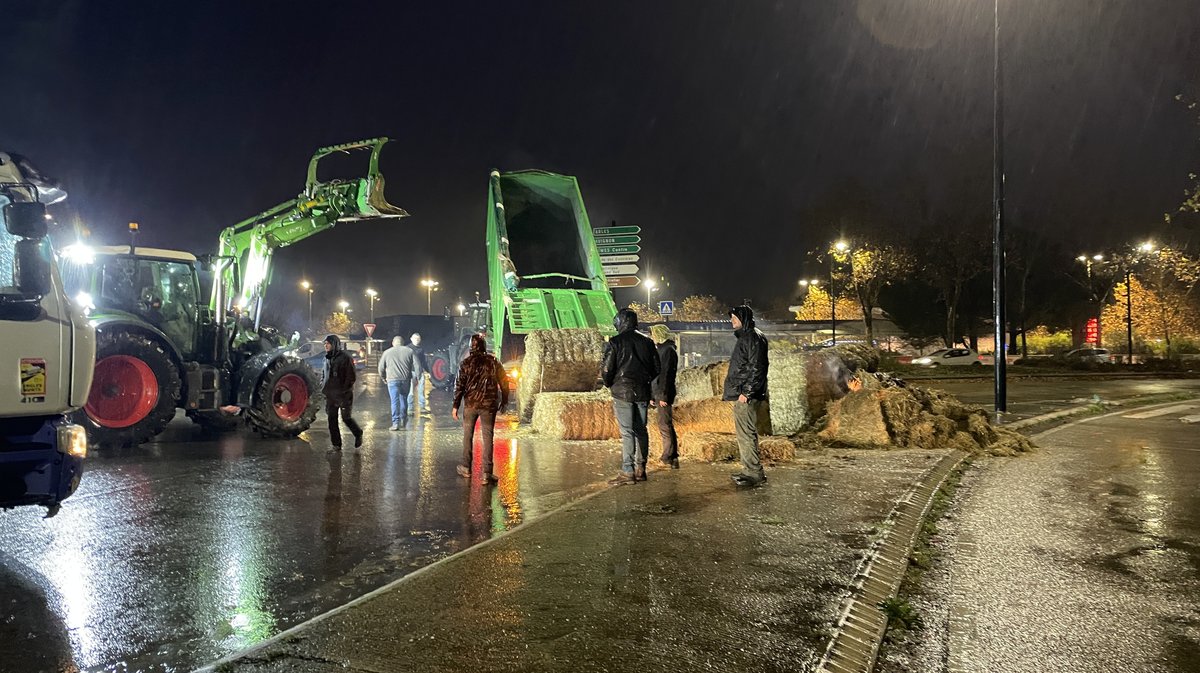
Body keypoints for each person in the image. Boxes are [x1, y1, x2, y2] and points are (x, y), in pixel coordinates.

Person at [601, 308, 660, 485]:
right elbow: (656, 368)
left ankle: (628, 471)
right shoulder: (647, 342)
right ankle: (641, 468)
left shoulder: (615, 342)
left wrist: (609, 383)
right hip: (642, 391)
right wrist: (646, 380)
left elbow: (607, 369)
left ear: (620, 322)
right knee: (641, 430)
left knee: (627, 432)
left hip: (622, 391)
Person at [451, 334, 508, 483]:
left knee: (467, 435)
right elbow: (504, 382)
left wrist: (455, 405)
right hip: (489, 405)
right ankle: (486, 473)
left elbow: (458, 386)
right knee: (488, 437)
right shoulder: (493, 362)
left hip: (471, 405)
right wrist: (505, 400)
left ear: (471, 347)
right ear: (484, 346)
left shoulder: (465, 363)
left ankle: (466, 467)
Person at [724, 305, 769, 487]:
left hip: (746, 394)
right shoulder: (750, 336)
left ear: (743, 318)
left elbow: (757, 367)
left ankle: (754, 473)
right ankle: (749, 470)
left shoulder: (751, 337)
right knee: (745, 433)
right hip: (745, 392)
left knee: (746, 434)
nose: (731, 321)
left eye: (734, 318)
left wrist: (746, 392)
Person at [322, 334, 362, 450]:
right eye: (325, 344)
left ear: (334, 344)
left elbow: (351, 377)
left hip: (344, 395)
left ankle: (358, 433)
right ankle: (336, 445)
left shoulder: (345, 358)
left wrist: (343, 391)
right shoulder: (326, 358)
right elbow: (324, 374)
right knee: (332, 420)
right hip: (330, 395)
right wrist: (323, 387)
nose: (326, 346)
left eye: (328, 343)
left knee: (346, 418)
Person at [649, 324, 680, 469]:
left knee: (665, 425)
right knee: (664, 424)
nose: (652, 337)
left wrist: (662, 395)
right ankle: (670, 455)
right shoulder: (663, 349)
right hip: (659, 392)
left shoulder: (667, 350)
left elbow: (667, 374)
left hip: (663, 393)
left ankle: (668, 456)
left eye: (653, 334)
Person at [378, 335, 420, 430]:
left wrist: (383, 377)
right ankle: (403, 420)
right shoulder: (409, 351)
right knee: (404, 399)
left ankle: (395, 423)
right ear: (403, 343)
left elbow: (380, 368)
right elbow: (417, 365)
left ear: (393, 343)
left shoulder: (387, 352)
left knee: (394, 401)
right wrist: (418, 377)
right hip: (405, 379)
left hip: (392, 380)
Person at [407, 332, 429, 416]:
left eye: (418, 339)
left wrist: (427, 370)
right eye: (415, 338)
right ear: (411, 339)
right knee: (410, 391)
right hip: (411, 371)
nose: (417, 340)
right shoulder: (408, 348)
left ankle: (422, 407)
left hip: (420, 371)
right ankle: (410, 408)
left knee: (421, 390)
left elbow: (423, 361)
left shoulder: (421, 349)